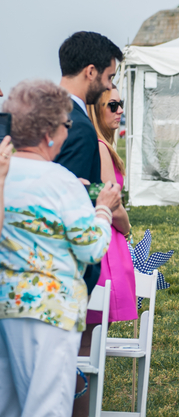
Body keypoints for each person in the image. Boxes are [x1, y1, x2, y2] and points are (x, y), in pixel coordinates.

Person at [0, 80, 121, 417]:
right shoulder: (61, 181)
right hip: (52, 310)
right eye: (68, 125)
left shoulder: (6, 174)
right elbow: (90, 248)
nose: (70, 133)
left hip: (8, 305)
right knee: (46, 414)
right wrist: (103, 210)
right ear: (50, 132)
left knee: (10, 409)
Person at [70, 87, 137, 417]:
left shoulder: (104, 146)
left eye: (121, 104)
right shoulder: (99, 146)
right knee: (88, 343)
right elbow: (114, 206)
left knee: (89, 341)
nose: (120, 110)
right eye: (113, 104)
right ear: (96, 109)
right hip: (106, 245)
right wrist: (127, 226)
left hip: (108, 247)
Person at [54, 31, 123, 294]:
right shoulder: (80, 127)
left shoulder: (39, 113)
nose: (109, 86)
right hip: (65, 272)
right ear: (91, 72)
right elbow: (72, 204)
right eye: (109, 77)